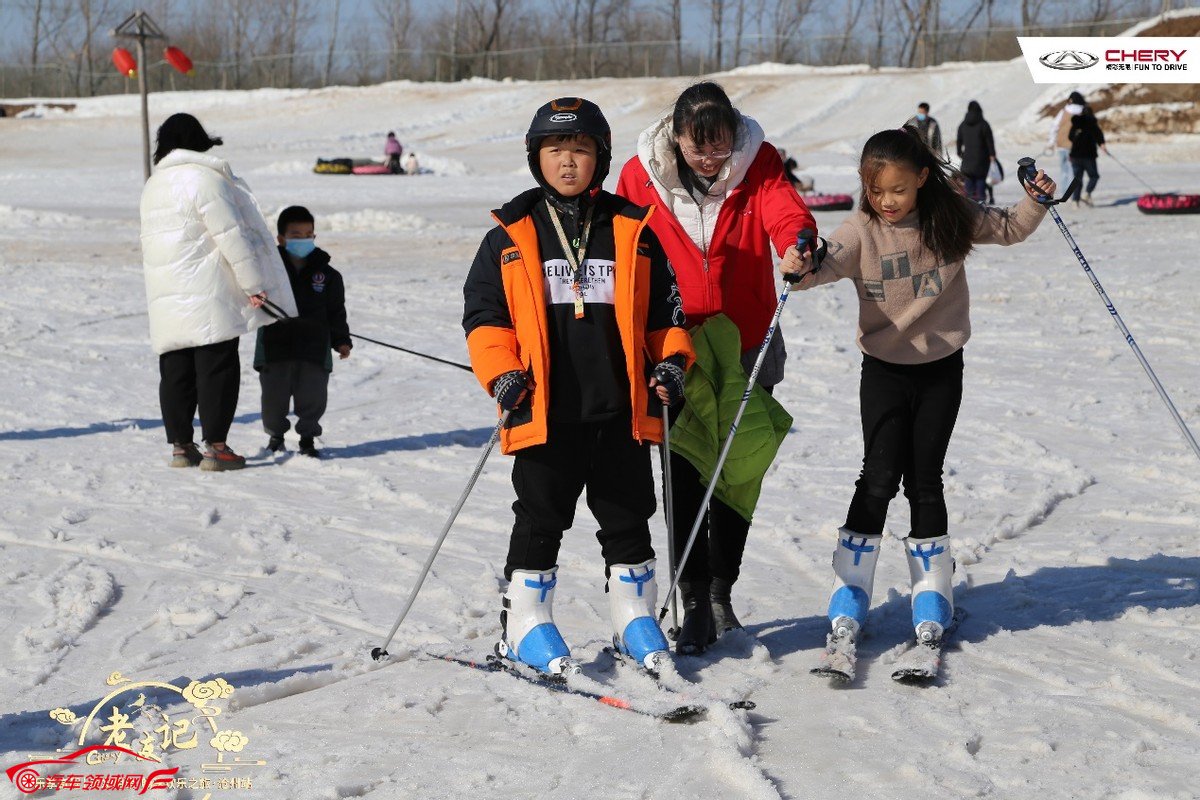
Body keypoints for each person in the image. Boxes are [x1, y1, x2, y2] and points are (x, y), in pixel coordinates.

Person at [782, 126, 1056, 652]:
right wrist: (800, 265)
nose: (886, 201)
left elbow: (1011, 228)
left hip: (940, 368)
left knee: (925, 480)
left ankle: (932, 591)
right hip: (884, 370)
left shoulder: (950, 214)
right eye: (875, 189)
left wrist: (1036, 199)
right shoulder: (863, 228)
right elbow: (823, 261)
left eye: (897, 190)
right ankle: (850, 588)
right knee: (878, 477)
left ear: (923, 179)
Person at [462, 97, 695, 676]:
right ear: (536, 158)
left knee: (627, 512)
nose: (568, 162)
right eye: (555, 150)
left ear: (602, 157)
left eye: (581, 151)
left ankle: (634, 617)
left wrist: (670, 364)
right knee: (541, 514)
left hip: (618, 409)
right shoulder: (509, 234)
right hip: (545, 409)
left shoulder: (632, 228)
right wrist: (502, 373)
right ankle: (525, 624)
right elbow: (485, 318)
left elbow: (667, 315)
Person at [616, 81, 815, 654]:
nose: (711, 157)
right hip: (673, 339)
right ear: (675, 136)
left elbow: (784, 209)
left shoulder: (759, 162)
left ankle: (723, 586)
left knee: (738, 465)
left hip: (746, 335)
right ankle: (695, 597)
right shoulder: (639, 174)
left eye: (720, 145)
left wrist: (798, 241)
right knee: (682, 471)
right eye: (699, 147)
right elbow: (626, 239)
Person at [140, 113, 296, 471]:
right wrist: (254, 286)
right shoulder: (205, 180)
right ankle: (217, 447)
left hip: (166, 293)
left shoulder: (153, 185)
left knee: (176, 368)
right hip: (209, 291)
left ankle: (181, 446)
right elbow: (232, 237)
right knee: (216, 368)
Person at [254, 206, 352, 458]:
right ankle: (276, 435)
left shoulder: (328, 275)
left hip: (314, 348)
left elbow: (336, 312)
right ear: (281, 239)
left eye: (308, 234)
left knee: (313, 396)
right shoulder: (267, 272)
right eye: (296, 235)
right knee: (273, 399)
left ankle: (307, 437)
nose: (303, 239)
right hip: (275, 348)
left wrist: (341, 341)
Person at [955, 100, 995, 203]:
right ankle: (981, 201)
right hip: (981, 158)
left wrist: (959, 152)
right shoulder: (984, 124)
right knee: (980, 179)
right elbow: (989, 141)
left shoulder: (963, 124)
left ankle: (969, 201)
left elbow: (959, 140)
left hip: (967, 158)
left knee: (968, 178)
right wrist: (992, 154)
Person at [1068, 106, 1107, 208]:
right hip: (1089, 156)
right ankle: (1087, 194)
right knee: (1094, 176)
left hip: (1075, 156)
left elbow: (1070, 137)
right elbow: (1099, 136)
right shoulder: (1092, 124)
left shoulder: (1076, 124)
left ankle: (1075, 201)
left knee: (1077, 179)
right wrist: (1102, 145)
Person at [1047, 91, 1087, 186]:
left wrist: (1051, 142)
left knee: (1064, 171)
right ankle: (1074, 195)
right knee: (1075, 171)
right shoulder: (1083, 113)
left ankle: (1065, 194)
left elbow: (1054, 127)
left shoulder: (1063, 111)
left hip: (1061, 145)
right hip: (1075, 147)